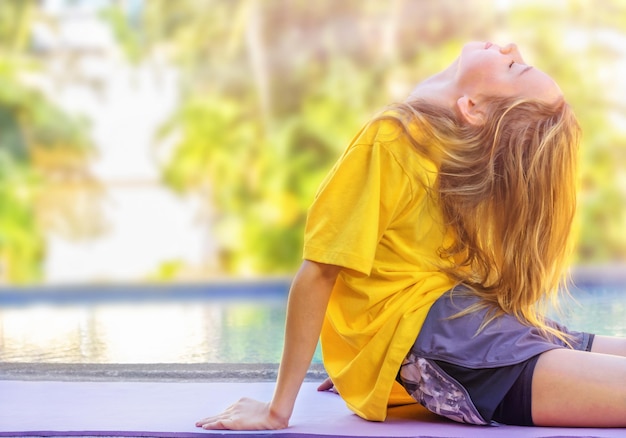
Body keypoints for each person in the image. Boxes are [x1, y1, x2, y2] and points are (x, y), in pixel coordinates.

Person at [196, 41, 626, 429]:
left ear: (472, 107)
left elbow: (320, 273)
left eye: (514, 66)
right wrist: (372, 356)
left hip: (458, 341)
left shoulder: (393, 141)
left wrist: (277, 412)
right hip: (457, 335)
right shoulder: (443, 146)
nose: (510, 47)